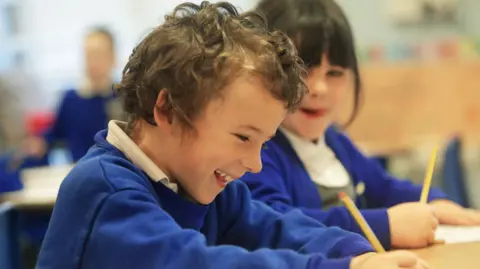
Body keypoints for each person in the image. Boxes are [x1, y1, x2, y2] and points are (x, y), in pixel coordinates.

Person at [35, 2, 430, 269]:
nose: (256, 163)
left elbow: (277, 227)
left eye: (264, 142)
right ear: (168, 109)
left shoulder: (202, 185)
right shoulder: (106, 192)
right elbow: (198, 263)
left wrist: (354, 255)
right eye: (244, 137)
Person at [240, 0, 480, 250]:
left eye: (334, 74)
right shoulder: (257, 151)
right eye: (302, 71)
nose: (319, 89)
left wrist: (435, 203)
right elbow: (275, 225)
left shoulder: (334, 140)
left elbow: (384, 187)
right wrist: (385, 225)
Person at [23, 26, 123, 162]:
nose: (93, 62)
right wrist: (38, 143)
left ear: (112, 57)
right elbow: (54, 133)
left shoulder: (124, 98)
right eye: (88, 55)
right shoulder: (71, 99)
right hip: (80, 171)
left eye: (98, 55)